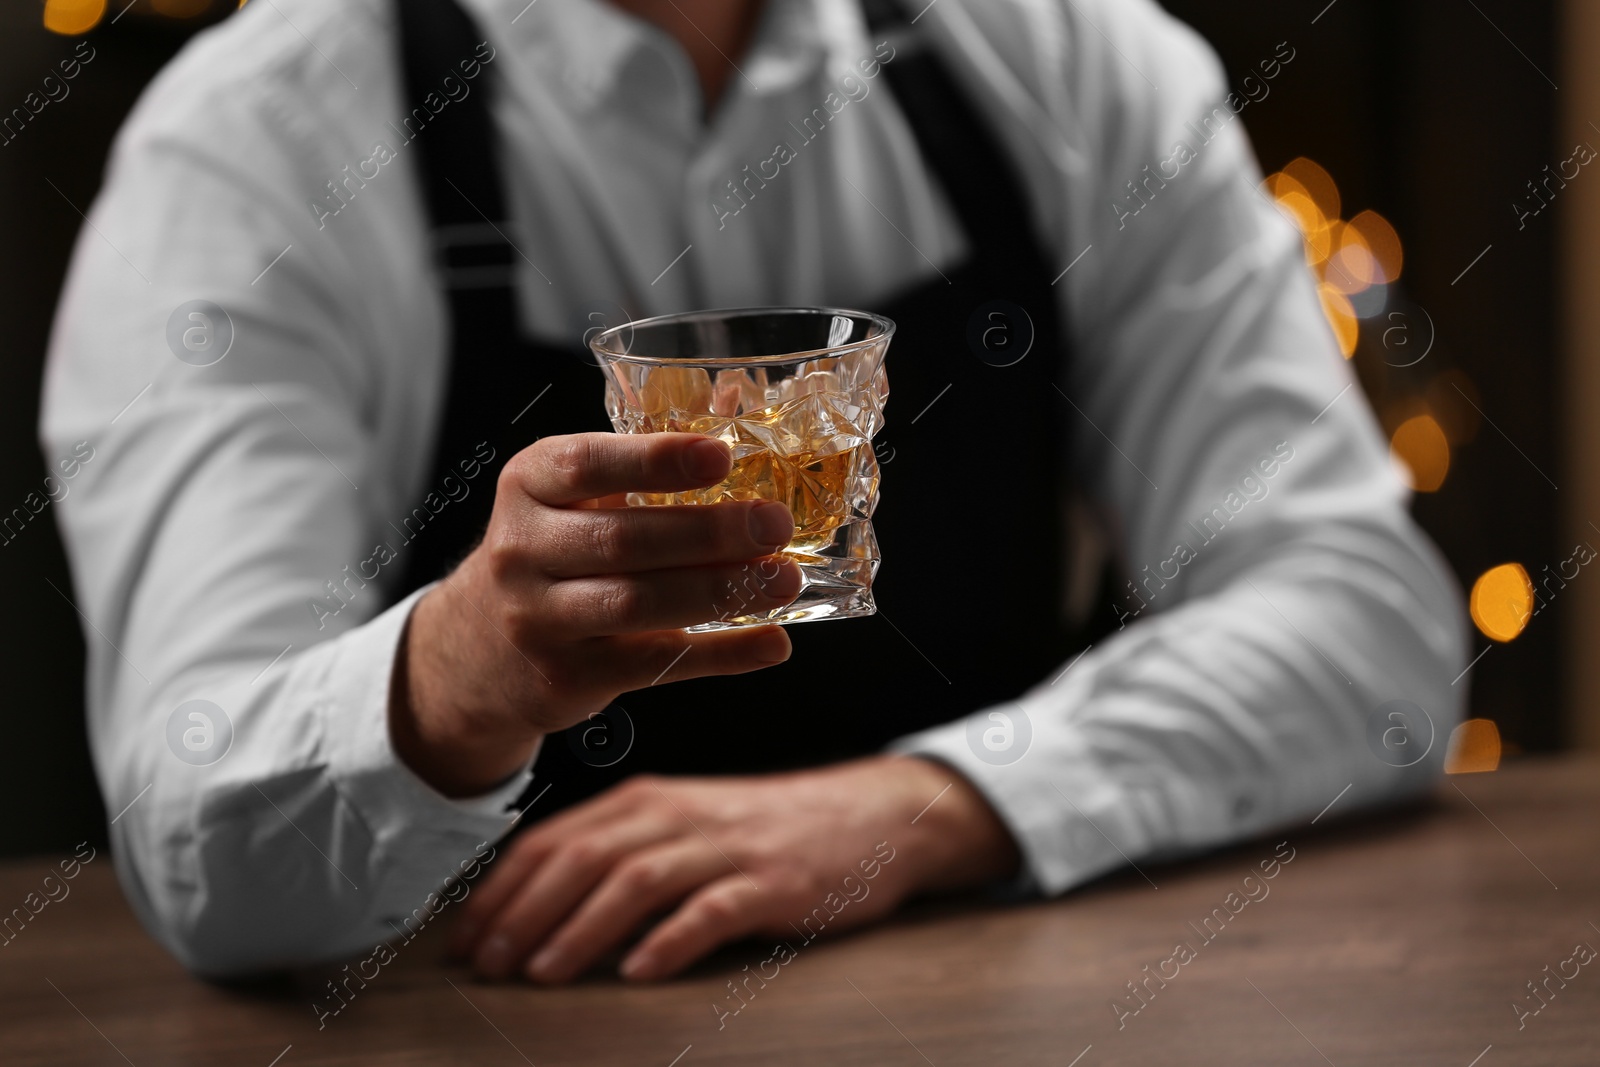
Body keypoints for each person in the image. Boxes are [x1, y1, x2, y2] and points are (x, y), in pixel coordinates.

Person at [41, 0, 1466, 984]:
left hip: (989, 1011)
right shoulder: (253, 146)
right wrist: (459, 672)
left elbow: (1369, 633)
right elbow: (198, 843)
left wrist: (932, 804)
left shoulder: (1074, 56)